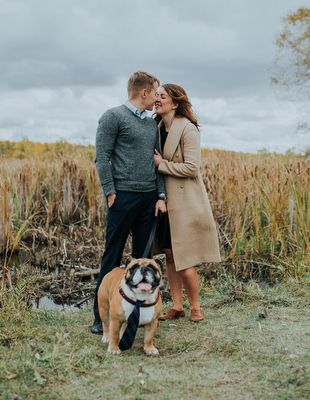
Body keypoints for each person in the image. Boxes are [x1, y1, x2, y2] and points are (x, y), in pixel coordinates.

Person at [91, 71, 167, 334]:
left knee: (144, 261)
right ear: (143, 93)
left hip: (148, 201)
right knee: (112, 258)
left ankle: (139, 314)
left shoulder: (150, 124)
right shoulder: (112, 117)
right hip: (122, 198)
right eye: (155, 93)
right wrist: (111, 192)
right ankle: (100, 317)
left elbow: (155, 162)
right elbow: (102, 157)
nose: (157, 98)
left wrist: (160, 196)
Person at [153, 83, 221, 322]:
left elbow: (192, 168)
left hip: (185, 201)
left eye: (162, 96)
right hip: (164, 201)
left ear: (175, 103)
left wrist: (162, 164)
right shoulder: (156, 127)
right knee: (170, 255)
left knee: (185, 256)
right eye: (156, 96)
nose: (157, 99)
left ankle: (195, 307)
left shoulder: (188, 129)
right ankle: (177, 306)